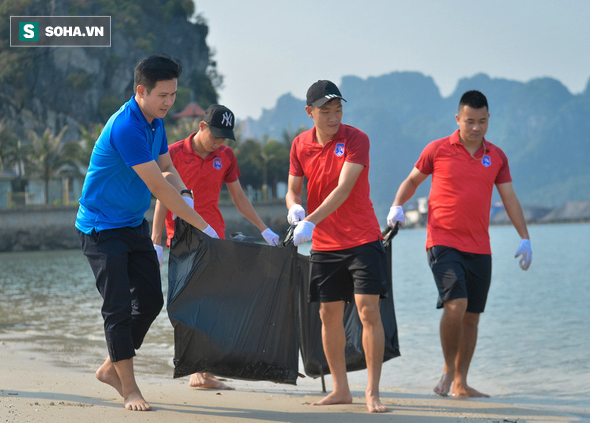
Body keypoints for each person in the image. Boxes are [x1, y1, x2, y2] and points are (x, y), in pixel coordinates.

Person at [75, 55, 219, 411]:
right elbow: (158, 187)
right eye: (162, 95)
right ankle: (129, 389)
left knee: (152, 300)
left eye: (173, 94)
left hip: (130, 223)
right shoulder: (127, 127)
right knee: (118, 307)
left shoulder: (155, 123)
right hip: (100, 227)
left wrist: (185, 193)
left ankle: (111, 367)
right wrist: (203, 224)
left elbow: (168, 167)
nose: (169, 102)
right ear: (141, 91)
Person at [387, 90, 532, 398]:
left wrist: (525, 237)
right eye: (470, 121)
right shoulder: (438, 149)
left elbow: (509, 198)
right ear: (458, 119)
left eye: (482, 121)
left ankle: (460, 384)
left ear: (489, 119)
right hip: (442, 241)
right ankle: (447, 370)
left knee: (473, 317)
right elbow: (413, 180)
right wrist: (397, 204)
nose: (476, 128)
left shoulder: (497, 156)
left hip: (480, 247)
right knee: (456, 305)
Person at [150, 103, 280, 390]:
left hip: (215, 238)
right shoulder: (172, 154)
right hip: (183, 239)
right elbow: (162, 197)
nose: (220, 142)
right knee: (191, 304)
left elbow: (239, 198)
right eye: (216, 134)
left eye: (225, 136)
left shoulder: (226, 156)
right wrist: (156, 242)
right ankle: (197, 370)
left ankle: (206, 370)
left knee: (214, 305)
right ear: (201, 127)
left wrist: (264, 228)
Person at [286, 80, 389, 413]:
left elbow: (344, 188)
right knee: (327, 314)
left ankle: (372, 391)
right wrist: (293, 207)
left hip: (362, 239)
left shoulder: (357, 139)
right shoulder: (299, 145)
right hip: (326, 245)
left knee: (367, 310)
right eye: (326, 111)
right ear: (310, 112)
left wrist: (310, 221)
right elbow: (293, 189)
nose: (334, 118)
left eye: (338, 110)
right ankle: (341, 389)